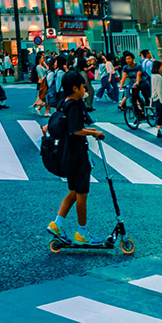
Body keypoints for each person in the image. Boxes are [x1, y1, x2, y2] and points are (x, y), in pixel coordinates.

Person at [46, 71, 105, 245]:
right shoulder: (75, 105)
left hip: (68, 155)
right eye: (83, 86)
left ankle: (57, 224)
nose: (85, 89)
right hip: (77, 156)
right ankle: (82, 233)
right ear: (75, 88)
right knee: (81, 195)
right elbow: (75, 130)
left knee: (73, 192)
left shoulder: (64, 103)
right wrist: (94, 132)